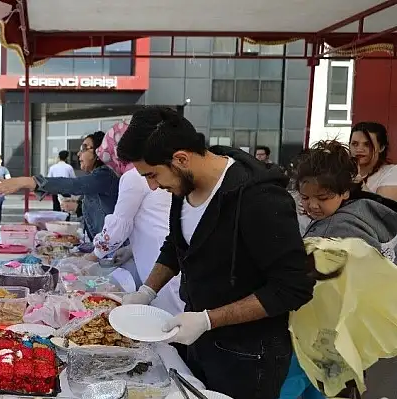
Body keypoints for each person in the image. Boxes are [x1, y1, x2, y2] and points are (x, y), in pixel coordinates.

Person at [116, 106, 315, 399]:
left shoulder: (259, 198)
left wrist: (209, 319)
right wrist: (146, 291)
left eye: (153, 175)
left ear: (181, 159)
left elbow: (293, 287)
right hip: (198, 347)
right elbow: (177, 245)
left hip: (248, 359)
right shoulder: (184, 187)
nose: (153, 186)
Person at [280, 140, 397, 399]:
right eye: (306, 197)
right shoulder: (368, 211)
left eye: (322, 198)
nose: (312, 205)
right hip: (355, 335)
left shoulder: (338, 230)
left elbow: (317, 277)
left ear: (345, 192)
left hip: (332, 337)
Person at [83, 121, 183, 316]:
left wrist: (93, 256)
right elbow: (152, 215)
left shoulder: (134, 176)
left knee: (167, 320)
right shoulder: (157, 170)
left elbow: (118, 227)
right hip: (169, 254)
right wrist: (130, 250)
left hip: (159, 258)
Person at [0, 131, 119, 240]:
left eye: (84, 149)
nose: (79, 154)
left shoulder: (105, 175)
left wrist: (26, 181)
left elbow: (74, 184)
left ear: (100, 152)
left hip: (111, 253)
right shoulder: (99, 176)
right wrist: (78, 206)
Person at [349, 121, 397, 201]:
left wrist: (360, 185)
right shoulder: (342, 171)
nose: (359, 149)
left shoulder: (392, 172)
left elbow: (383, 210)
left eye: (367, 144)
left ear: (381, 147)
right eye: (355, 144)